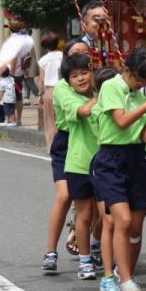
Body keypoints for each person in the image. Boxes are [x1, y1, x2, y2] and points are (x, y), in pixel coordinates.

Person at [92, 49, 146, 291]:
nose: (141, 84)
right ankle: (122, 280)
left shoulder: (141, 94)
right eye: (137, 79)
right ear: (126, 69)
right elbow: (121, 121)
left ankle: (125, 272)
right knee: (120, 220)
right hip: (111, 159)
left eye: (145, 80)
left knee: (135, 224)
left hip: (138, 157)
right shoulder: (111, 86)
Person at [42, 41, 90, 273]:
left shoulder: (95, 83)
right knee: (64, 196)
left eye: (85, 54)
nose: (80, 56)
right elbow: (81, 110)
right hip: (67, 143)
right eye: (75, 54)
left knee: (94, 204)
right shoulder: (62, 87)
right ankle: (50, 251)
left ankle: (89, 245)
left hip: (90, 143)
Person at [55, 52, 103, 280]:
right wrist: (104, 95)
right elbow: (84, 111)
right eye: (75, 76)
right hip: (79, 164)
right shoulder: (70, 98)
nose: (81, 78)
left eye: (85, 72)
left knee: (104, 215)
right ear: (68, 81)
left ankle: (96, 247)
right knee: (84, 214)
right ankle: (85, 261)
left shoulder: (100, 93)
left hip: (104, 163)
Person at [37, 32, 63, 148]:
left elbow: (42, 80)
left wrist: (40, 94)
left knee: (50, 120)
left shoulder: (43, 60)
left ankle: (51, 145)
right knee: (63, 118)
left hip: (49, 90)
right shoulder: (63, 56)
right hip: (63, 88)